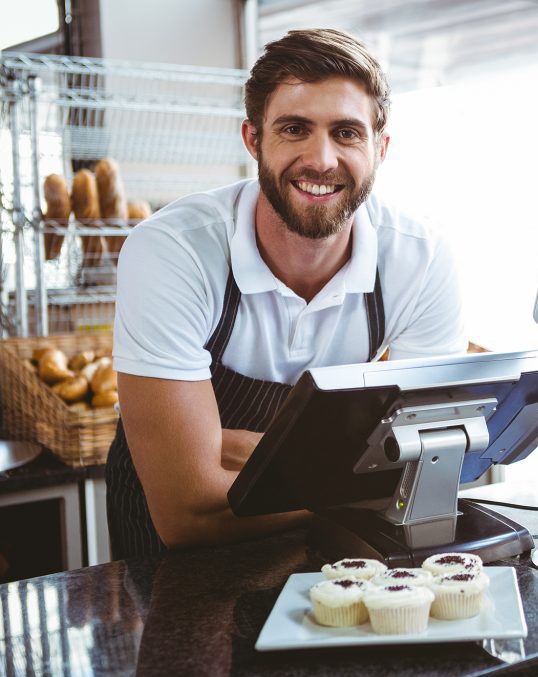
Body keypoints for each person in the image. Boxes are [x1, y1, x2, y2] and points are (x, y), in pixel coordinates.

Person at [105, 29, 466, 559]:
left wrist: (238, 456)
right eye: (295, 129)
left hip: (331, 557)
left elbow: (429, 471)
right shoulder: (172, 251)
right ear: (253, 140)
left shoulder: (420, 260)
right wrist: (359, 480)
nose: (321, 159)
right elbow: (189, 510)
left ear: (379, 148)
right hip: (172, 565)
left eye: (346, 132)